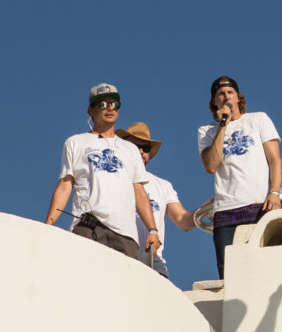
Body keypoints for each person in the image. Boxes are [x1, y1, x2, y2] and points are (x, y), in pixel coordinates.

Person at [45, 83, 159, 262]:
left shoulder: (130, 149)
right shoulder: (75, 142)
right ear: (90, 110)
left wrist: (152, 229)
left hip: (126, 235)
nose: (110, 108)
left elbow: (139, 191)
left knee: (123, 287)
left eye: (114, 104)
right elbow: (65, 185)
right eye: (103, 104)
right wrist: (48, 226)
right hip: (87, 227)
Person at [198, 76, 282, 278]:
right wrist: (222, 126)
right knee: (230, 275)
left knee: (265, 269)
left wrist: (275, 192)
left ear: (238, 97)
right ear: (214, 102)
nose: (225, 96)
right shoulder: (206, 131)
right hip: (226, 211)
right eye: (220, 93)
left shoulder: (258, 119)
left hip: (259, 205)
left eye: (230, 92)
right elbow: (210, 166)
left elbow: (275, 159)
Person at [116, 122, 203, 278]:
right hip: (119, 261)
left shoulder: (163, 185)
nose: (141, 152)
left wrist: (204, 211)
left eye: (146, 148)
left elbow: (183, 220)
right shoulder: (112, 178)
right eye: (136, 146)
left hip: (154, 268)